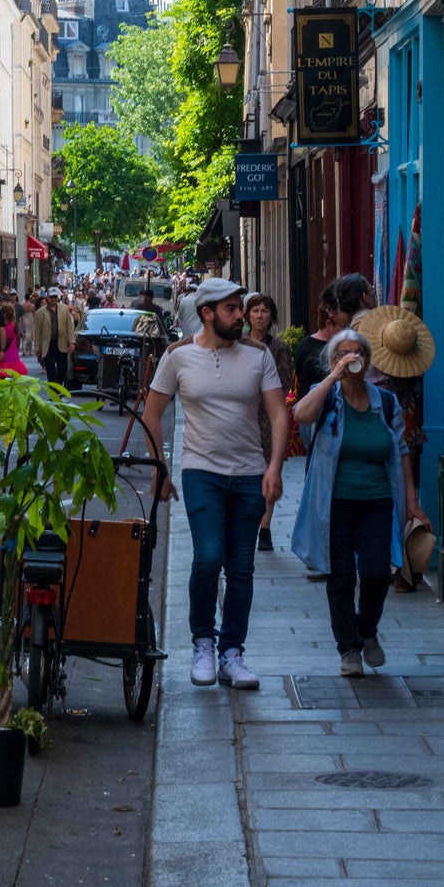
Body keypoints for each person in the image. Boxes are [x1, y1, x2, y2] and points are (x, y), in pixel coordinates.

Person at [139, 278, 289, 692]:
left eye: (241, 308)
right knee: (208, 557)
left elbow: (278, 414)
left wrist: (274, 467)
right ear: (207, 313)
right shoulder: (178, 356)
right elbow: (152, 414)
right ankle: (202, 643)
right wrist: (160, 470)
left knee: (241, 567)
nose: (241, 316)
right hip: (201, 471)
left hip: (248, 474)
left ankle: (231, 653)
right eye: (231, 309)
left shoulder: (258, 356)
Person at [291, 328, 430, 677]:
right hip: (334, 503)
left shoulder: (385, 401)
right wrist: (333, 377)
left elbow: (400, 452)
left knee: (375, 573)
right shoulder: (324, 396)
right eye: (343, 354)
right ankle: (348, 650)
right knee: (339, 577)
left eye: (358, 353)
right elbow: (300, 416)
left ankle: (366, 630)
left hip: (377, 500)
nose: (352, 359)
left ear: (368, 360)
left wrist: (411, 502)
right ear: (333, 360)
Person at [240, 295, 295, 552]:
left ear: (272, 316)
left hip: (268, 416)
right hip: (242, 415)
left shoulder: (280, 348)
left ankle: (265, 527)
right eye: (255, 311)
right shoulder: (236, 344)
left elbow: (283, 382)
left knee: (270, 470)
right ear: (247, 315)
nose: (260, 315)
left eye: (265, 311)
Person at [294, 287, 344, 397]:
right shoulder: (317, 354)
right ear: (329, 324)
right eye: (342, 326)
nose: (346, 331)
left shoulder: (305, 343)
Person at [33, 290, 76, 386]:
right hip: (48, 344)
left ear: (58, 298)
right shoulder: (40, 312)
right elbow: (37, 331)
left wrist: (72, 342)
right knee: (50, 369)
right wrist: (37, 346)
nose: (53, 299)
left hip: (61, 343)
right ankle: (54, 389)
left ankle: (59, 385)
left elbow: (69, 327)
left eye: (55, 297)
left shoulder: (64, 309)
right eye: (51, 297)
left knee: (63, 368)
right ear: (47, 297)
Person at [0, 302, 25, 374]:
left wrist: (18, 344)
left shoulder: (13, 322)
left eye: (6, 312)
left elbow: (17, 333)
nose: (4, 314)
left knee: (12, 363)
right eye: (3, 312)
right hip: (0, 344)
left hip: (12, 345)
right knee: (1, 363)